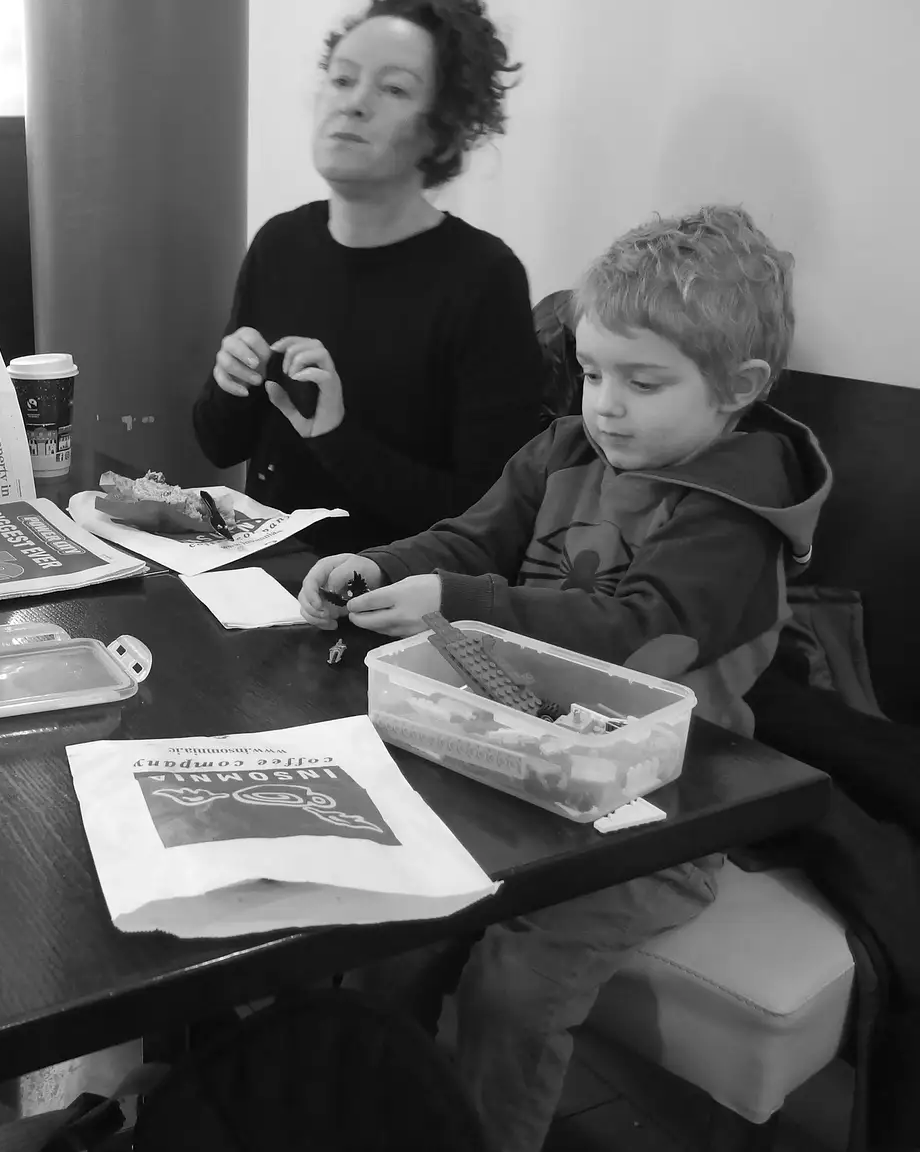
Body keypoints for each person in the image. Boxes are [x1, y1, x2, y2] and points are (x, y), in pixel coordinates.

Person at [297, 204, 831, 1152]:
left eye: (643, 381)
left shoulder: (735, 519)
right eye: (590, 372)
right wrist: (378, 565)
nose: (605, 403)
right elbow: (473, 535)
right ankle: (381, 1114)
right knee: (394, 930)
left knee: (519, 983)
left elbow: (636, 635)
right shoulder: (567, 450)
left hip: (657, 817)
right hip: (511, 765)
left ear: (737, 388)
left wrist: (456, 600)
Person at [193, 0, 547, 555]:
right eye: (341, 78)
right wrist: (229, 384)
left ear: (443, 127)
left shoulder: (483, 278)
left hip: (388, 598)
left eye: (393, 89)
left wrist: (336, 436)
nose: (353, 102)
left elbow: (488, 517)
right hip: (259, 576)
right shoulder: (282, 242)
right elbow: (218, 444)